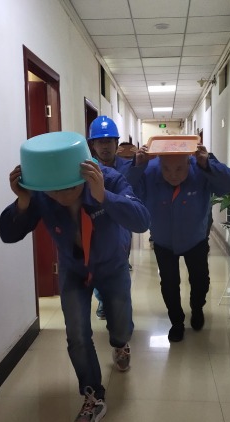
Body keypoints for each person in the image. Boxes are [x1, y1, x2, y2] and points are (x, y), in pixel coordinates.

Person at [0, 133, 150, 422]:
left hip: (111, 266)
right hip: (74, 270)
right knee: (77, 334)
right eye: (54, 190)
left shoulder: (109, 179)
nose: (63, 195)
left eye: (70, 187)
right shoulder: (41, 191)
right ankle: (93, 395)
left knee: (120, 326)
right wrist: (23, 202)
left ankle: (120, 344)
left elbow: (142, 221)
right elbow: (8, 234)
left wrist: (104, 195)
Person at [127, 143, 230, 342]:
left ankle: (197, 308)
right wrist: (137, 166)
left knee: (200, 280)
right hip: (163, 240)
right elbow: (126, 190)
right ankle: (176, 322)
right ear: (159, 163)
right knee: (169, 283)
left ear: (189, 161)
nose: (173, 175)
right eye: (166, 169)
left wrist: (208, 164)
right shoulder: (150, 171)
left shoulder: (200, 168)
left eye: (179, 168)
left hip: (195, 238)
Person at [87, 116, 135, 319]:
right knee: (97, 263)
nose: (105, 146)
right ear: (93, 145)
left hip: (123, 224)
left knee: (120, 262)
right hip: (97, 225)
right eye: (100, 142)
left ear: (117, 143)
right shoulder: (86, 169)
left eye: (109, 141)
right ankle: (103, 300)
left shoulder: (129, 166)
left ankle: (116, 304)